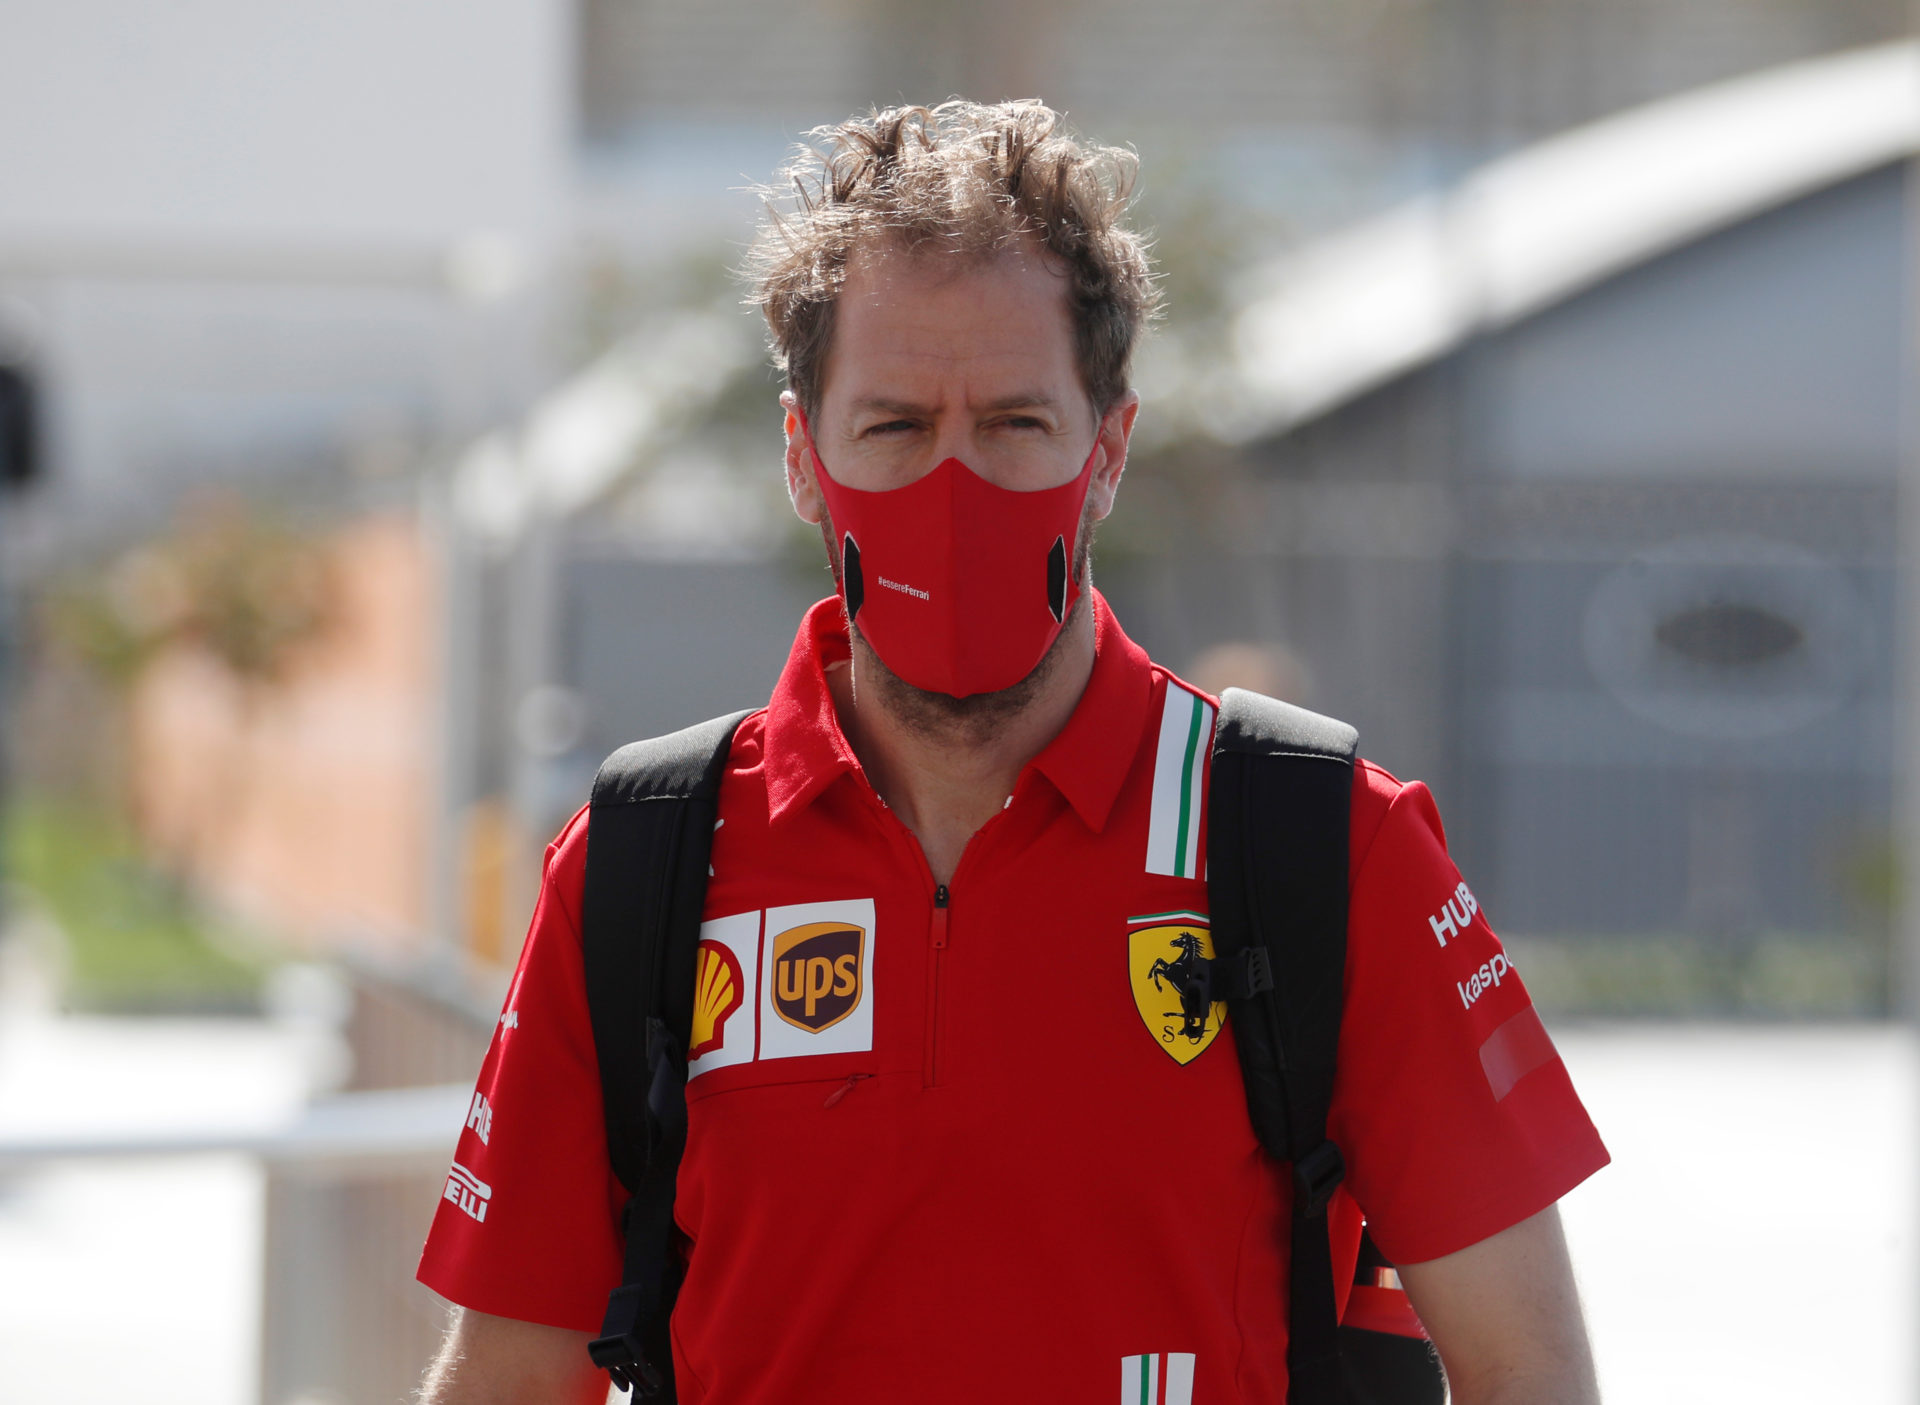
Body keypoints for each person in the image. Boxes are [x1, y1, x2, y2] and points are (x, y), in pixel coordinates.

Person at [415, 100, 1608, 1405]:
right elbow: (510, 1378)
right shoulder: (647, 864)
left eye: (1014, 423)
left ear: (1107, 452)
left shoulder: (1325, 843)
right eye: (896, 426)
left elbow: (1527, 1367)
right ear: (803, 456)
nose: (954, 484)